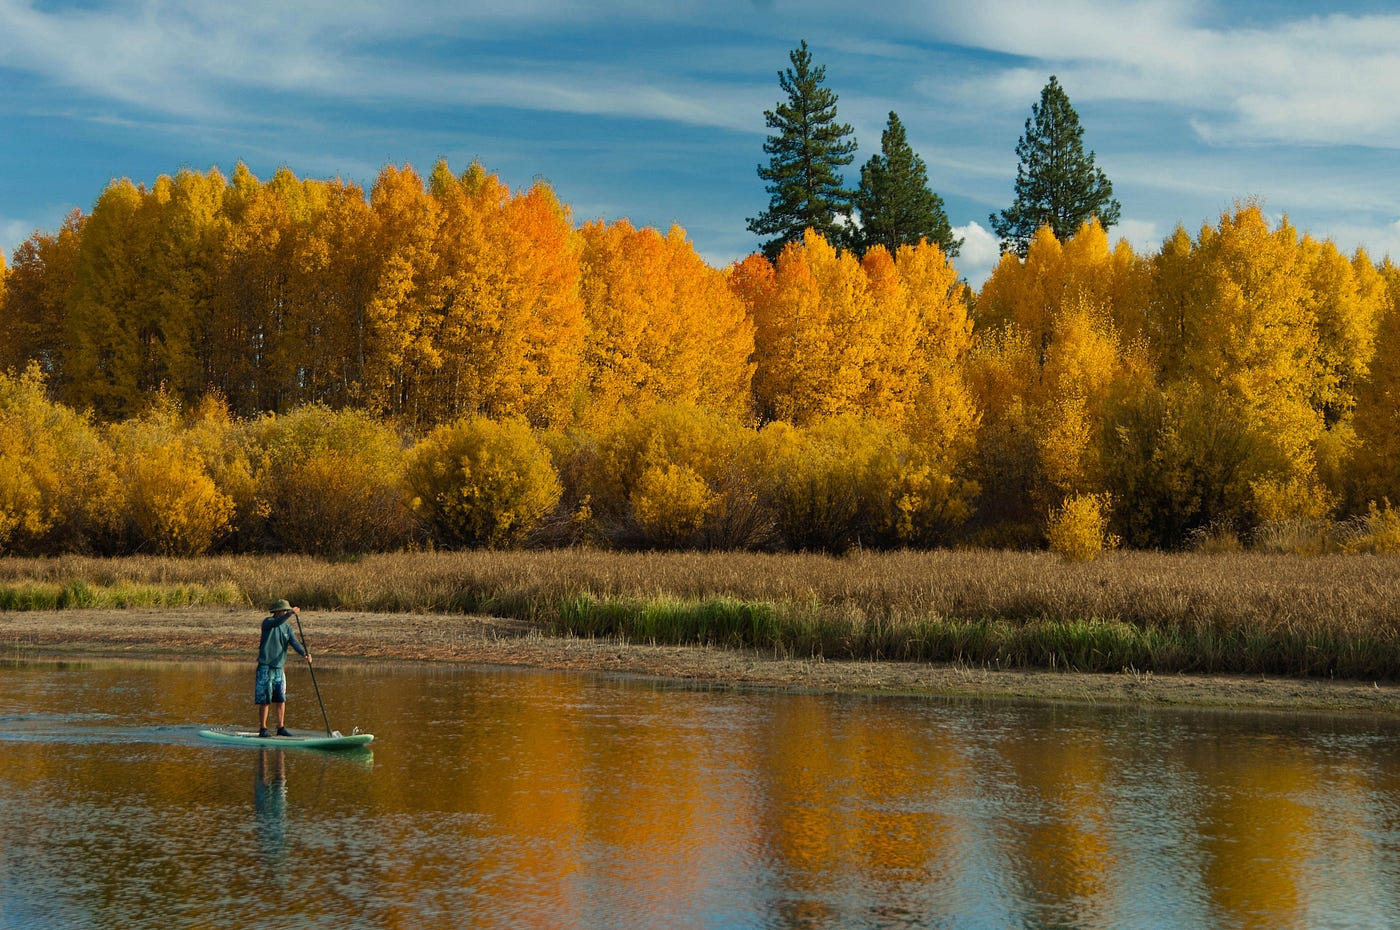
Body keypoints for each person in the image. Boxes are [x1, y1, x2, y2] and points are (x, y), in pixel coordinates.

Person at [256, 599, 312, 737]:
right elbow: (276, 622)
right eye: (285, 610)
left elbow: (294, 642)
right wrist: (291, 614)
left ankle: (280, 728)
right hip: (265, 667)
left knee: (281, 699)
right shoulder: (268, 622)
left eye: (287, 611)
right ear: (278, 611)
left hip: (279, 668)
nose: (286, 612)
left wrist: (304, 654)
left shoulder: (287, 628)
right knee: (265, 699)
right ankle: (263, 729)